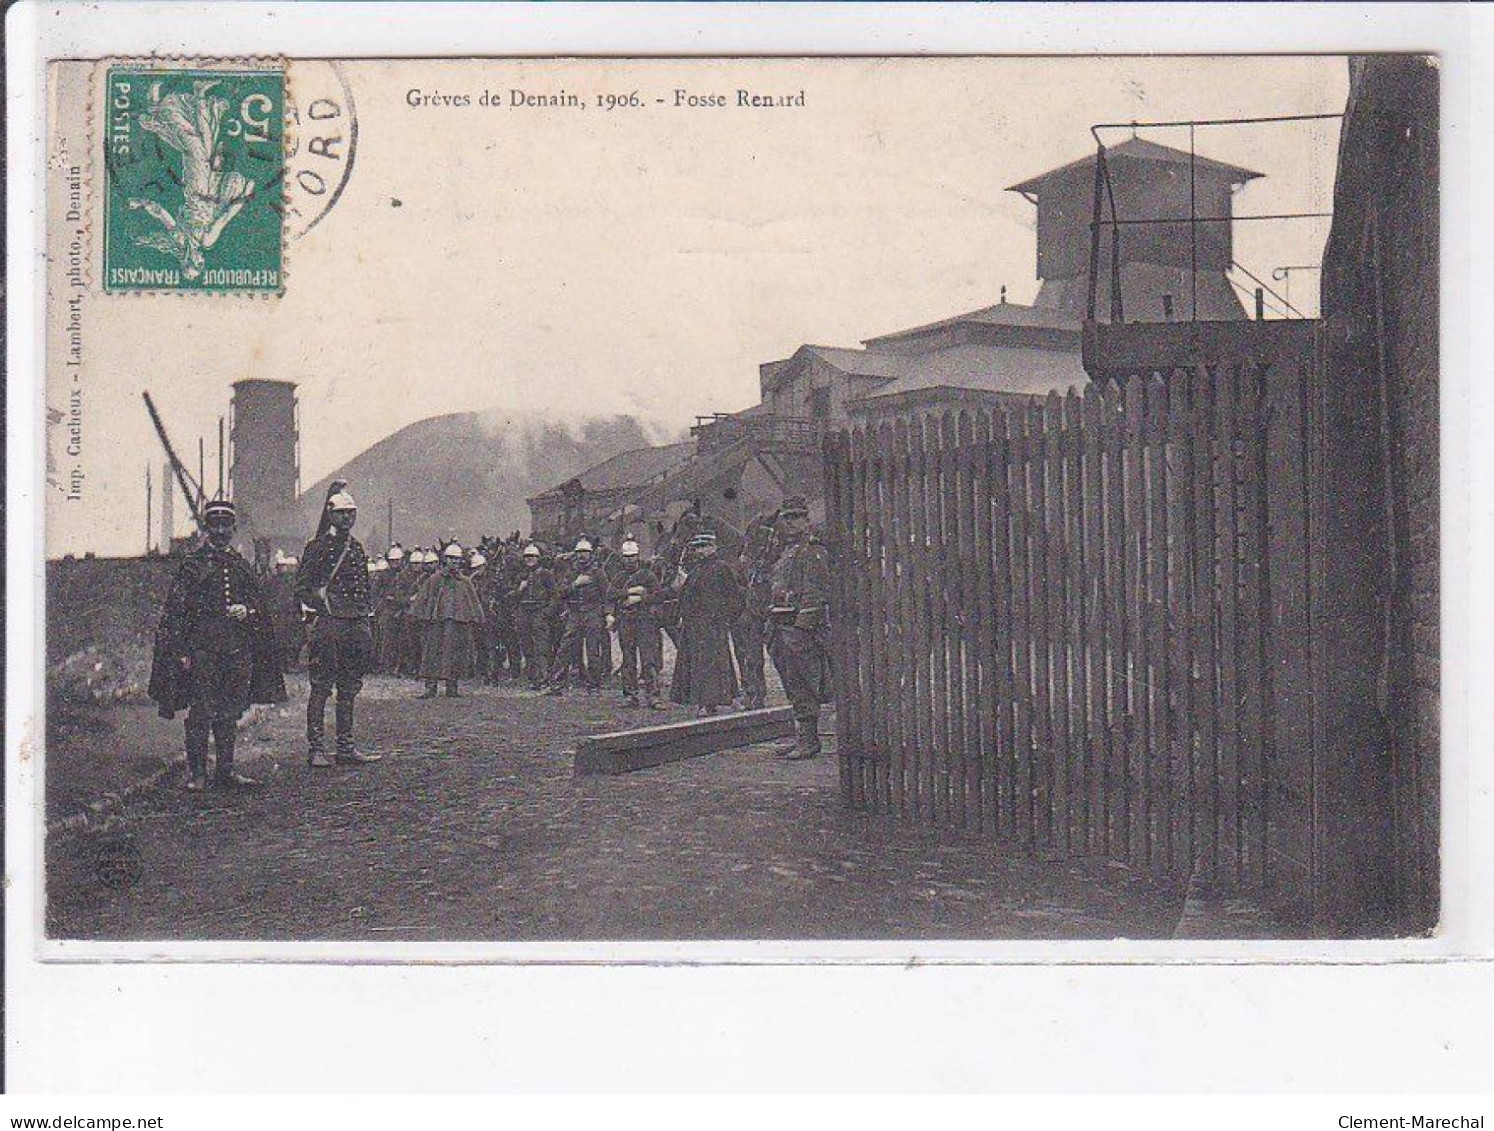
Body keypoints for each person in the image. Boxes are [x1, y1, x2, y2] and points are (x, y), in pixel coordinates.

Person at [148, 498, 287, 791]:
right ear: (207, 528)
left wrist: (246, 610)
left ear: (233, 529)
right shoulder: (192, 565)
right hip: (203, 650)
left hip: (235, 649)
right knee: (201, 711)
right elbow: (177, 611)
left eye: (226, 526)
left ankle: (225, 772)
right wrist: (182, 651)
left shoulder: (240, 565)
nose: (221, 531)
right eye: (216, 525)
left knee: (229, 711)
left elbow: (259, 606)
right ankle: (197, 775)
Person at [294, 485, 381, 768]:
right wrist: (321, 603)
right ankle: (316, 748)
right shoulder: (316, 547)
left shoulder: (356, 548)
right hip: (330, 624)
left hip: (355, 623)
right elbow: (303, 588)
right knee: (321, 686)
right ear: (330, 515)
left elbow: (364, 588)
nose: (346, 519)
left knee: (349, 686)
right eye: (341, 514)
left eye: (351, 514)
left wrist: (364, 617)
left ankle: (345, 747)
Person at [767, 495, 835, 760]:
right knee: (793, 685)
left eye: (797, 517)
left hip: (802, 631)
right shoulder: (787, 550)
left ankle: (809, 741)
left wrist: (802, 628)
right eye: (787, 518)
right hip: (783, 627)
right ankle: (803, 737)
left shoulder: (813, 550)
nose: (791, 523)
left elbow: (816, 592)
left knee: (805, 685)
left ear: (807, 519)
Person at [669, 529, 743, 715]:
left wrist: (721, 617)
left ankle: (716, 702)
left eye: (704, 547)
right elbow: (687, 597)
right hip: (694, 626)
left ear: (713, 547)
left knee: (713, 664)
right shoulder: (695, 570)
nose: (700, 551)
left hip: (713, 626)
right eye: (697, 548)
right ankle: (703, 702)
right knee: (697, 664)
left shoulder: (721, 568)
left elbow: (735, 598)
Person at [410, 543, 487, 698]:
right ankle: (431, 687)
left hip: (458, 623)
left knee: (455, 654)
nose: (454, 563)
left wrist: (477, 618)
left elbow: (473, 602)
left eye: (457, 560)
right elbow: (423, 598)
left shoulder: (465, 582)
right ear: (446, 560)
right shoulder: (435, 579)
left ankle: (452, 687)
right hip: (437, 622)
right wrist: (420, 615)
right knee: (433, 653)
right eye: (451, 559)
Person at [547, 538, 611, 696]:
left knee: (593, 651)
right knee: (565, 648)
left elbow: (607, 595)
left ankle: (594, 686)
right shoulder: (571, 572)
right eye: (580, 553)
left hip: (592, 612)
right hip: (574, 613)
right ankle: (556, 684)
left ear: (590, 555)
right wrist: (575, 583)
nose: (582, 556)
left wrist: (608, 614)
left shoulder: (598, 572)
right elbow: (560, 593)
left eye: (585, 553)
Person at [612, 539, 666, 709]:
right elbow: (610, 594)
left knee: (648, 660)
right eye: (626, 557)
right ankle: (630, 695)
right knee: (628, 660)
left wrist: (642, 598)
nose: (629, 560)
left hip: (644, 621)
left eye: (632, 557)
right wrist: (629, 592)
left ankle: (653, 696)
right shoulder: (619, 577)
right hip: (626, 621)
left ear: (638, 557)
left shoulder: (647, 575)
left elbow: (658, 595)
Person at [732, 513, 776, 710]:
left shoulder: (776, 559)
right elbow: (741, 585)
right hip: (754, 611)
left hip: (772, 610)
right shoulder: (748, 564)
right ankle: (755, 692)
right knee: (751, 656)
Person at [513, 542, 558, 689]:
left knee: (541, 647)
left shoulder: (546, 574)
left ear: (538, 558)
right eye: (527, 556)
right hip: (524, 612)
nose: (529, 559)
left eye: (532, 556)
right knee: (527, 647)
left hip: (539, 611)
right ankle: (533, 678)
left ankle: (542, 679)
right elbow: (510, 596)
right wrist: (519, 590)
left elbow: (554, 595)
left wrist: (547, 613)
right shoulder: (520, 575)